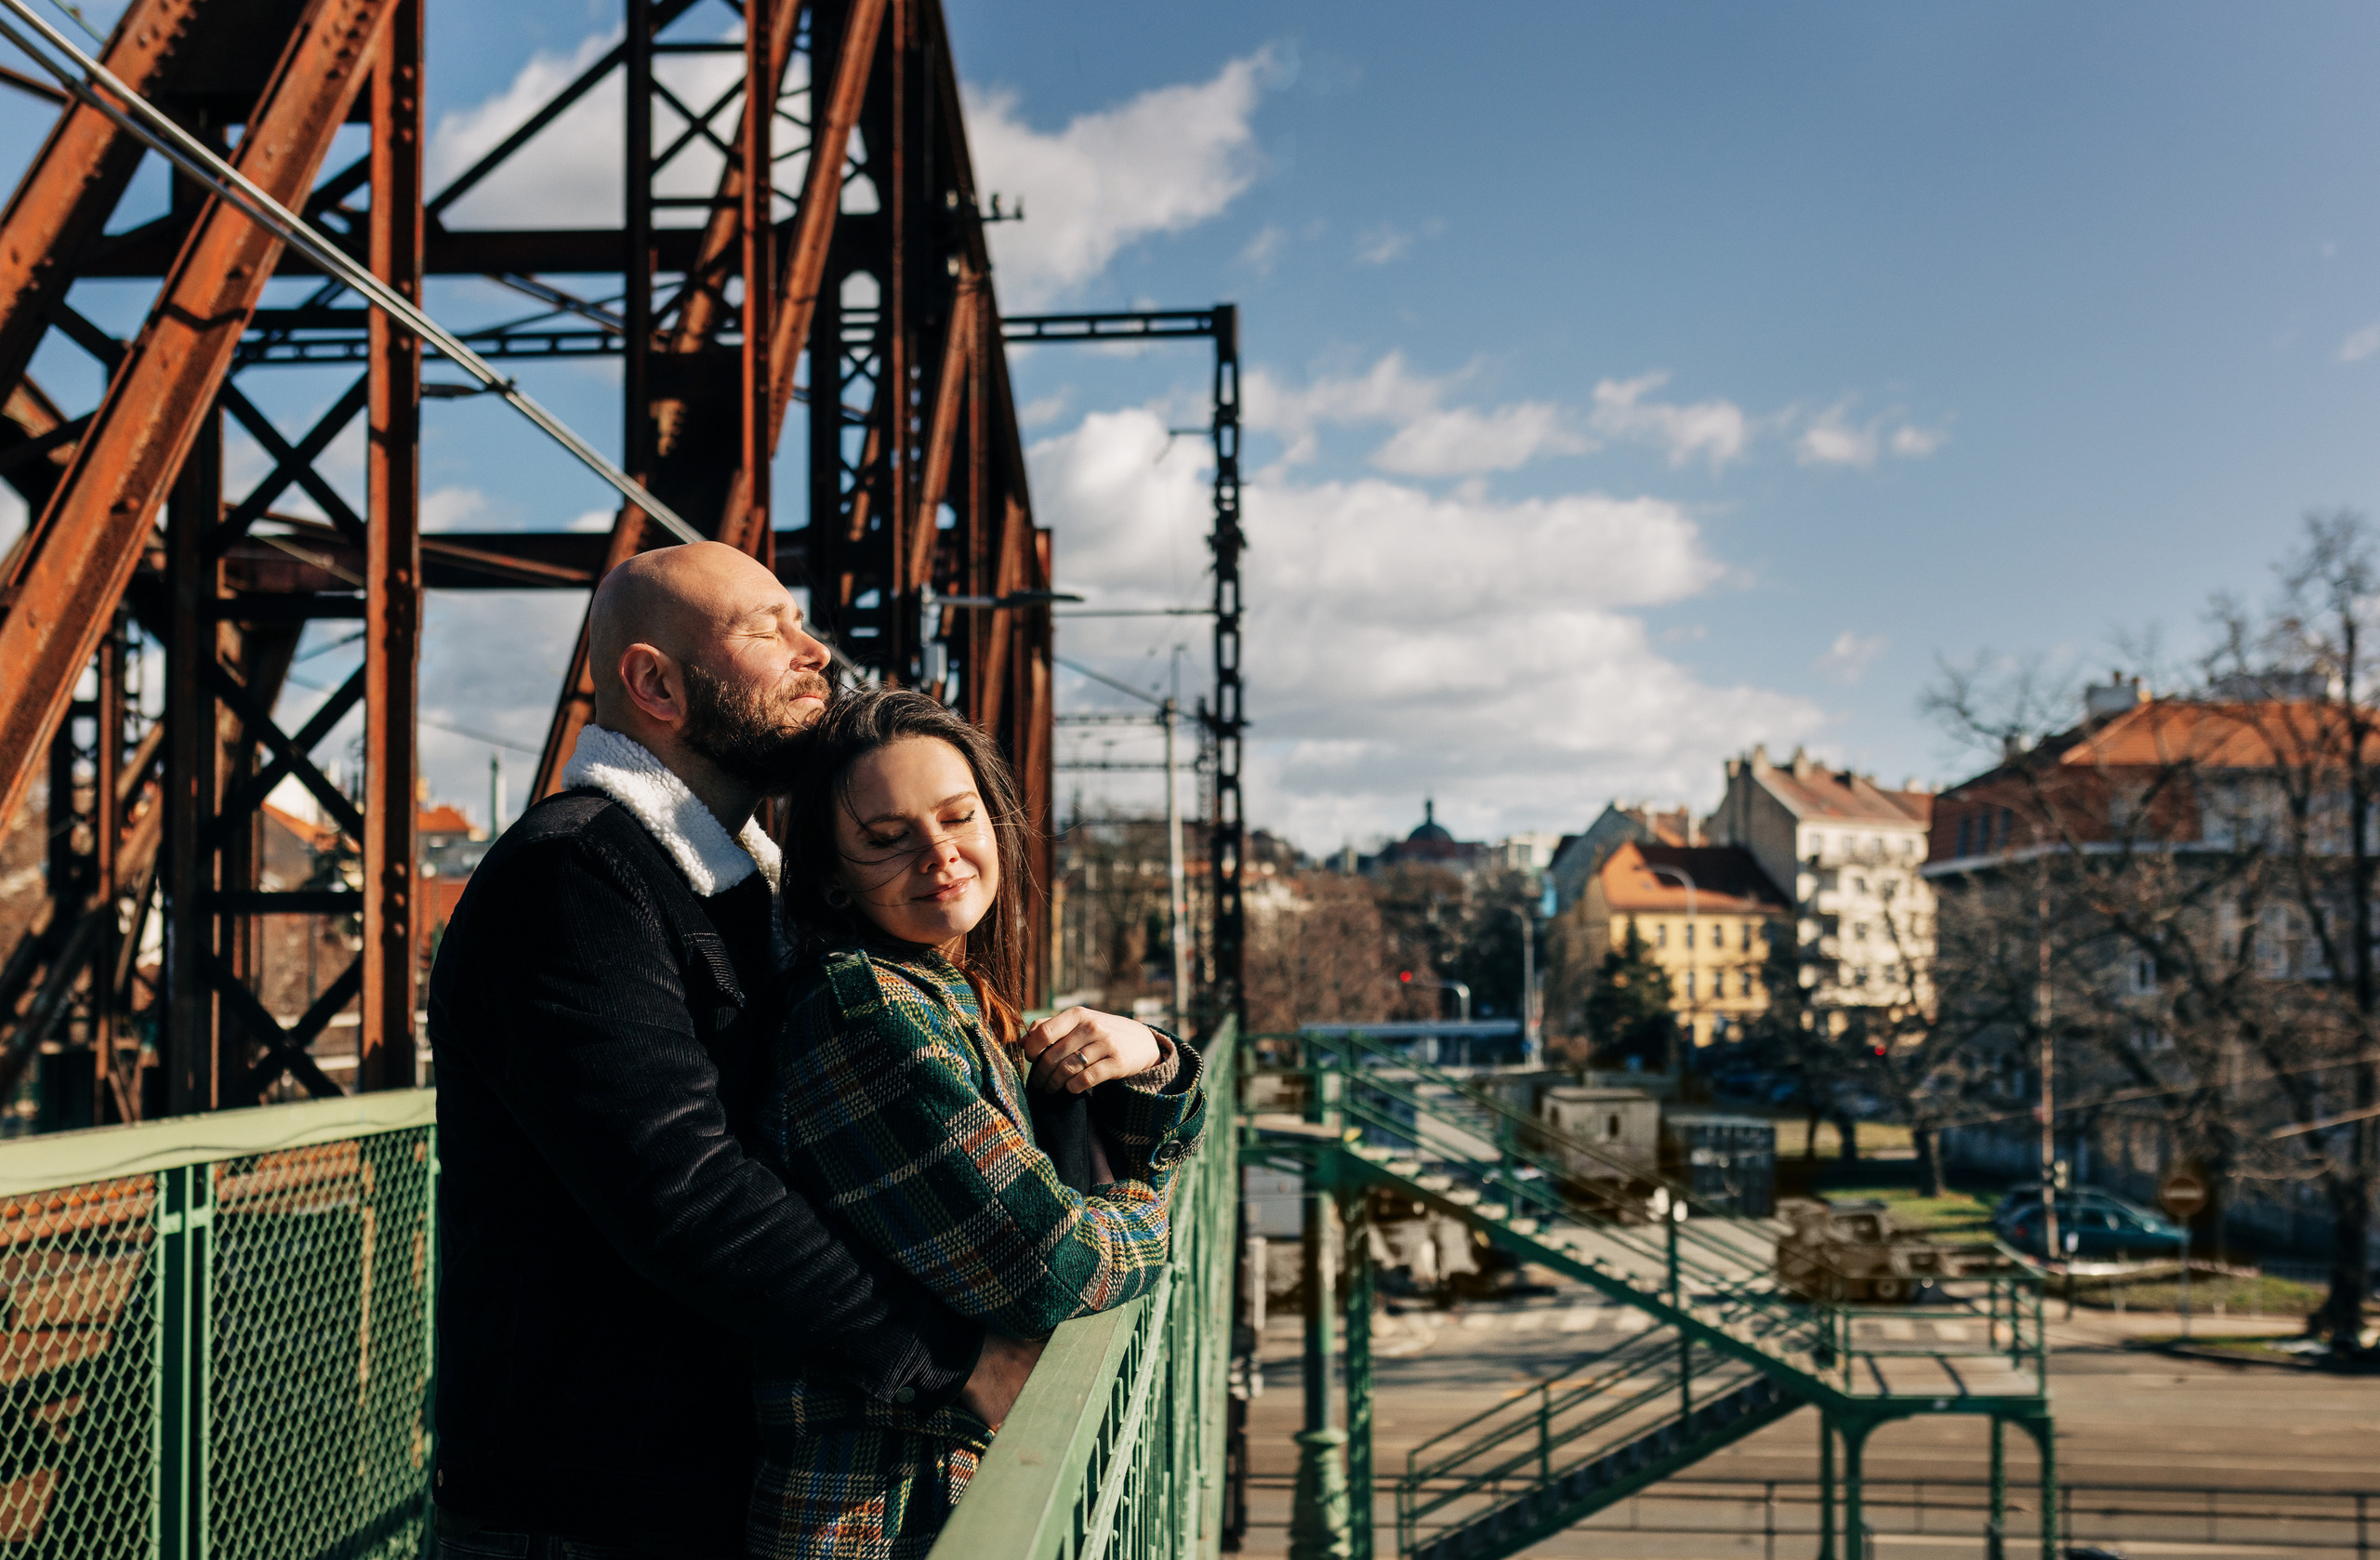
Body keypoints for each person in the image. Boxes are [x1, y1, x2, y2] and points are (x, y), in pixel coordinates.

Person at [427, 543, 1037, 1560]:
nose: (817, 654)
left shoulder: (742, 890)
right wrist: (954, 1359)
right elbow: (683, 1188)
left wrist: (1134, 1060)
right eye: (769, 629)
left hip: (699, 1491)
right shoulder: (573, 879)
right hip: (589, 1514)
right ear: (654, 683)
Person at [747, 688, 1208, 1559]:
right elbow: (1056, 1268)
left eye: (960, 817)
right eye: (887, 841)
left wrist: (1151, 1057)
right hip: (879, 1512)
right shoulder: (863, 1012)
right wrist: (1155, 1212)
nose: (941, 855)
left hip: (940, 1489)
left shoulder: (953, 995)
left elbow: (1088, 1180)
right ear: (834, 876)